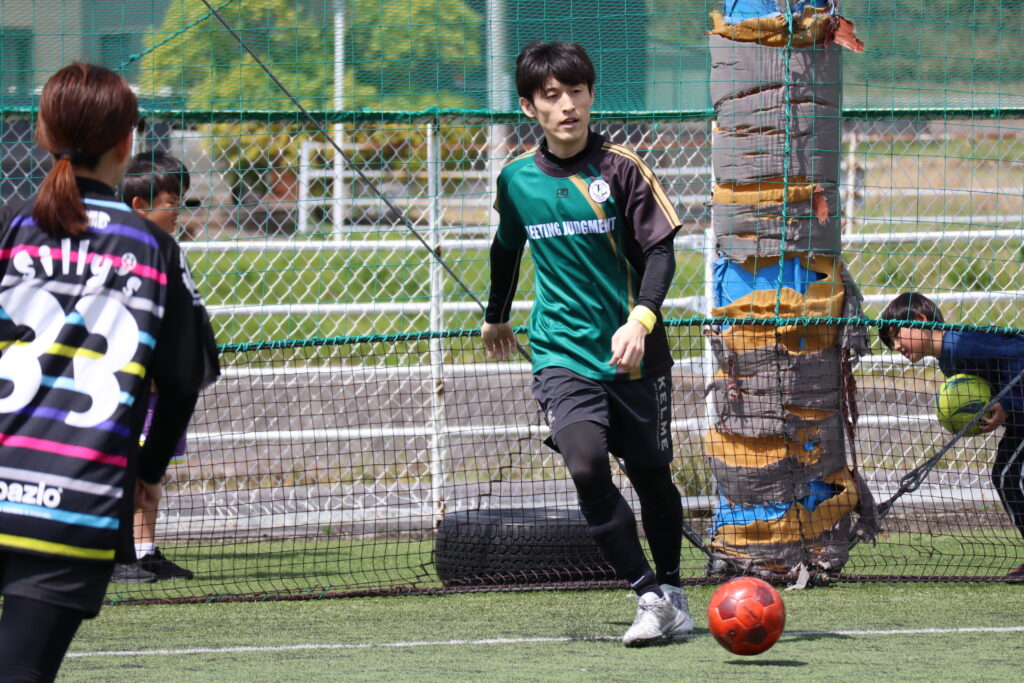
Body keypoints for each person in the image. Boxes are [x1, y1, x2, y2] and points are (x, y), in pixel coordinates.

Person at [0, 63, 220, 680]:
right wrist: (148, 470)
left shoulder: (10, 225)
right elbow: (182, 380)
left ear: (43, 134)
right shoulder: (153, 249)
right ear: (127, 143)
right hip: (75, 502)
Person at [481, 41, 693, 646]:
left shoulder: (622, 169)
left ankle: (674, 588)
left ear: (592, 96)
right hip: (561, 353)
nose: (567, 105)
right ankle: (648, 596)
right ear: (530, 107)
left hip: (635, 357)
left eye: (577, 91)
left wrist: (641, 320)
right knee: (585, 464)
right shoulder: (516, 179)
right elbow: (506, 247)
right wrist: (497, 316)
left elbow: (660, 252)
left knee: (653, 480)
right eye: (551, 96)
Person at [879, 292, 1024, 578]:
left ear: (920, 320)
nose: (896, 346)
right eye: (891, 343)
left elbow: (1020, 356)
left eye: (897, 335)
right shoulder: (949, 362)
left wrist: (1008, 403)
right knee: (1005, 475)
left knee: (1007, 475)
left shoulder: (961, 345)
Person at [109, 150, 196, 583]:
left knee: (151, 472)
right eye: (171, 202)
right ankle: (117, 552)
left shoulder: (169, 253)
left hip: (159, 384)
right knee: (123, 469)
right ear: (140, 205)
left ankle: (144, 550)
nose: (178, 211)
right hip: (124, 384)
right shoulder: (119, 251)